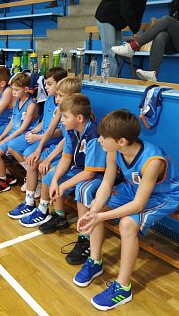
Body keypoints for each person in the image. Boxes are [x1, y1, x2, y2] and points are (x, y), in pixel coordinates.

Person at [73, 110, 179, 310]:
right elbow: (106, 182)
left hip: (164, 195)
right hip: (133, 189)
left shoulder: (153, 161)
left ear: (121, 141)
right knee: (97, 205)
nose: (100, 139)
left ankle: (123, 287)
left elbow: (138, 205)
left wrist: (99, 216)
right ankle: (95, 261)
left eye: (104, 137)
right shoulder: (113, 151)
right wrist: (93, 212)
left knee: (127, 224)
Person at [26, 94, 106, 234]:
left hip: (95, 174)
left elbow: (90, 172)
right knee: (51, 177)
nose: (62, 120)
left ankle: (85, 237)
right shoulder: (72, 130)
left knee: (82, 188)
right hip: (79, 168)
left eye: (65, 117)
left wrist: (62, 185)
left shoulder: (93, 135)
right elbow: (66, 157)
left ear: (79, 118)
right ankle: (59, 216)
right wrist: (56, 180)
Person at [8, 77, 82, 225]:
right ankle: (29, 202)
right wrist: (38, 150)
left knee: (49, 173)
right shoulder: (61, 109)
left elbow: (66, 142)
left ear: (73, 97)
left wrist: (48, 160)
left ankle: (43, 210)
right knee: (33, 160)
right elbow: (50, 131)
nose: (57, 98)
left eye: (61, 95)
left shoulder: (78, 117)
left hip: (73, 157)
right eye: (57, 95)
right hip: (64, 150)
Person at [7, 67, 67, 197]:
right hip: (41, 135)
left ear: (61, 83)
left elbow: (61, 132)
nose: (46, 87)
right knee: (11, 145)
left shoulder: (66, 104)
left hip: (51, 139)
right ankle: (32, 175)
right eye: (45, 84)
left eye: (49, 84)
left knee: (29, 154)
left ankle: (37, 180)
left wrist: (39, 138)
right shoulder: (50, 99)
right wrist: (34, 131)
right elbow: (44, 122)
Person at [111, 0, 179, 82]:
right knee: (161, 35)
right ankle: (153, 73)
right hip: (175, 42)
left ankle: (133, 46)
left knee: (167, 20)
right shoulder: (176, 2)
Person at [95, 0, 157, 77]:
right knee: (111, 53)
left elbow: (140, 9)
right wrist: (134, 29)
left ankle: (115, 79)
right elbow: (125, 7)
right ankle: (110, 83)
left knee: (119, 53)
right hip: (106, 16)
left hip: (116, 21)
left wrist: (136, 29)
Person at [0, 73, 38, 194]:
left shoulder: (31, 105)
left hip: (23, 135)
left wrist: (5, 140)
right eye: (12, 89)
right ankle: (5, 179)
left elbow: (22, 128)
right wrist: (2, 137)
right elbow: (12, 123)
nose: (13, 92)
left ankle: (27, 175)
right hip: (13, 134)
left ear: (26, 89)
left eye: (16, 90)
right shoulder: (17, 102)